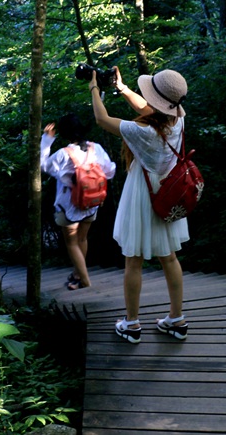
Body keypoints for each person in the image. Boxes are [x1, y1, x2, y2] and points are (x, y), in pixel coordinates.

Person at [88, 67, 191, 343]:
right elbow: (149, 108)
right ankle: (176, 319)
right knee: (169, 257)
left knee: (133, 260)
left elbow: (102, 118)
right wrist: (121, 88)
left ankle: (132, 324)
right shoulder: (177, 121)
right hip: (168, 191)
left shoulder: (141, 131)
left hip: (144, 195)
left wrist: (94, 88)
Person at [41, 113, 116, 291]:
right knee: (82, 238)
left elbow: (43, 166)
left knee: (72, 243)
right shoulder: (95, 148)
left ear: (64, 133)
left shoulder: (63, 154)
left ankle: (86, 280)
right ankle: (77, 276)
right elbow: (110, 170)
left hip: (69, 205)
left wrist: (46, 140)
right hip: (92, 203)